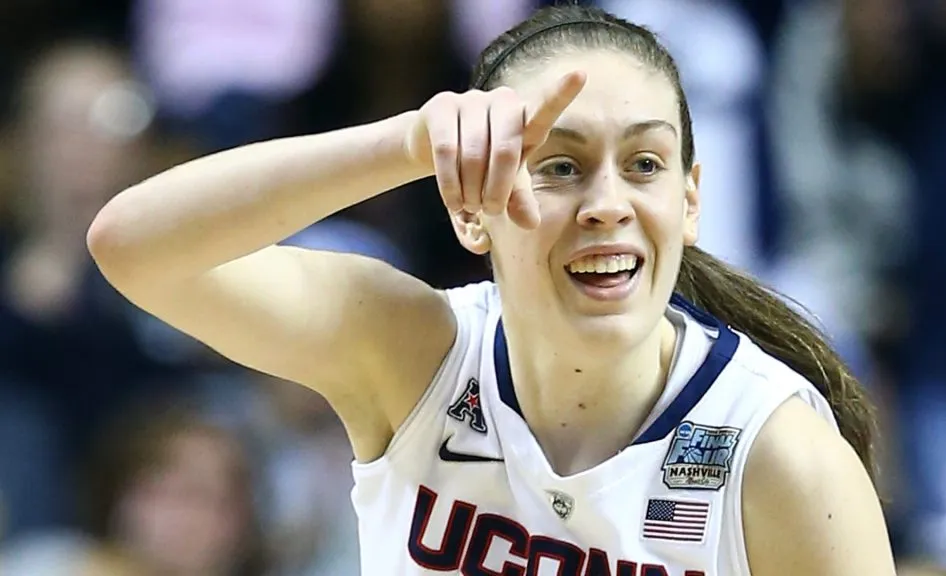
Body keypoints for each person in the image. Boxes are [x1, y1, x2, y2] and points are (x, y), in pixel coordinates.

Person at [87, 5, 894, 575]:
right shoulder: (414, 350)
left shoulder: (784, 457)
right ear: (472, 213)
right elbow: (135, 247)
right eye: (560, 166)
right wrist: (406, 140)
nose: (608, 202)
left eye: (644, 164)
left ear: (689, 202)